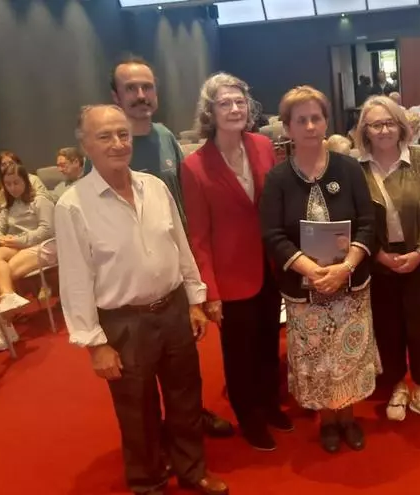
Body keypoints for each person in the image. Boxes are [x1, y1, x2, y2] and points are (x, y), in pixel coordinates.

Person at [55, 105, 228, 495]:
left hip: (173, 310)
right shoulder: (73, 205)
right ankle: (148, 482)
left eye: (122, 134)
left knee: (186, 397)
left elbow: (179, 245)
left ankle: (192, 470)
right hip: (123, 323)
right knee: (137, 410)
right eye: (104, 137)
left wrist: (194, 300)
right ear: (85, 145)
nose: (117, 144)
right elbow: (76, 281)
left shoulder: (155, 187)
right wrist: (95, 344)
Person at [107, 54, 233, 438]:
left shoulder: (164, 137)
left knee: (182, 363)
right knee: (142, 372)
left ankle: (189, 419)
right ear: (116, 96)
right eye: (131, 88)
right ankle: (157, 435)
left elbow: (185, 201)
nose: (140, 95)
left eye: (147, 87)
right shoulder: (110, 147)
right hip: (133, 288)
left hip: (174, 271)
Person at [259, 86, 379, 454]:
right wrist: (312, 270)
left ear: (326, 121)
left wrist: (346, 267)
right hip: (304, 288)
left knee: (348, 356)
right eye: (301, 120)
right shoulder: (278, 178)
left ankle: (348, 417)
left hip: (350, 283)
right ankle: (327, 421)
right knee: (319, 359)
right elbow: (273, 234)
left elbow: (368, 223)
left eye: (316, 118)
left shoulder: (349, 168)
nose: (310, 126)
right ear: (288, 128)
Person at [180, 73, 290, 452]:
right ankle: (250, 417)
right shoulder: (194, 166)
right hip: (229, 278)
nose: (234, 109)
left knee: (268, 343)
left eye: (240, 101)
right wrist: (208, 291)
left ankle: (270, 405)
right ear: (209, 112)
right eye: (224, 103)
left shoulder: (263, 145)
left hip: (269, 267)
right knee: (240, 354)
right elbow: (198, 236)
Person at [355, 96, 420, 427]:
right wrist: (379, 254)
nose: (383, 130)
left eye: (389, 123)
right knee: (388, 327)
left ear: (401, 126)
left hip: (419, 257)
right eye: (375, 125)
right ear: (364, 130)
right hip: (378, 260)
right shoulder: (356, 168)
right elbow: (355, 218)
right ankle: (397, 385)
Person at [0, 162, 54, 351]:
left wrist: (19, 240)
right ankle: (9, 298)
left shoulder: (40, 200)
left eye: (16, 182)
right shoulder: (9, 205)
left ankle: (4, 327)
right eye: (8, 184)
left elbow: (47, 230)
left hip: (43, 245)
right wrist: (0, 238)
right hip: (17, 244)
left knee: (5, 273)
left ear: (26, 181)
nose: (12, 188)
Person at [0, 151, 48, 221]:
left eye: (11, 163)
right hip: (7, 221)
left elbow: (43, 203)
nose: (7, 166)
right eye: (3, 165)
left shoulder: (33, 179)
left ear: (18, 164)